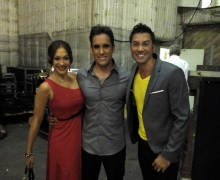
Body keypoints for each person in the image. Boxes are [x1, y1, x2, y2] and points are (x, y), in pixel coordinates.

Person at [48, 25, 130, 180]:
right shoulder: (81, 76)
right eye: (97, 47)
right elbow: (66, 97)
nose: (101, 52)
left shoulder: (126, 77)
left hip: (115, 146)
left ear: (113, 48)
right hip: (88, 146)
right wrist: (52, 114)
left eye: (106, 46)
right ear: (91, 49)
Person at [126, 23, 190, 180]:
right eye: (136, 44)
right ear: (130, 47)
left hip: (164, 150)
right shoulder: (133, 72)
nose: (140, 49)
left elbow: (182, 117)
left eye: (145, 44)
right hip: (143, 146)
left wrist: (168, 155)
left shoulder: (172, 74)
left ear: (153, 46)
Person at [25, 40, 84, 180]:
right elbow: (36, 121)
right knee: (65, 174)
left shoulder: (77, 78)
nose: (62, 63)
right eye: (57, 58)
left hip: (80, 136)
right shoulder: (46, 87)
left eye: (66, 58)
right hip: (61, 140)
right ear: (50, 59)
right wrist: (29, 152)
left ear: (71, 59)